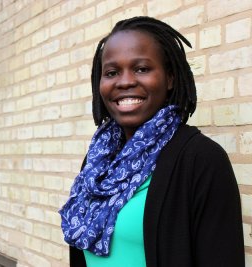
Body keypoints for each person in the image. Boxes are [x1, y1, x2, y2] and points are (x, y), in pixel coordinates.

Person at [59, 16, 244, 267]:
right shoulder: (98, 164)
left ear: (170, 78)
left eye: (142, 69)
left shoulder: (201, 160)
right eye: (112, 72)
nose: (125, 81)